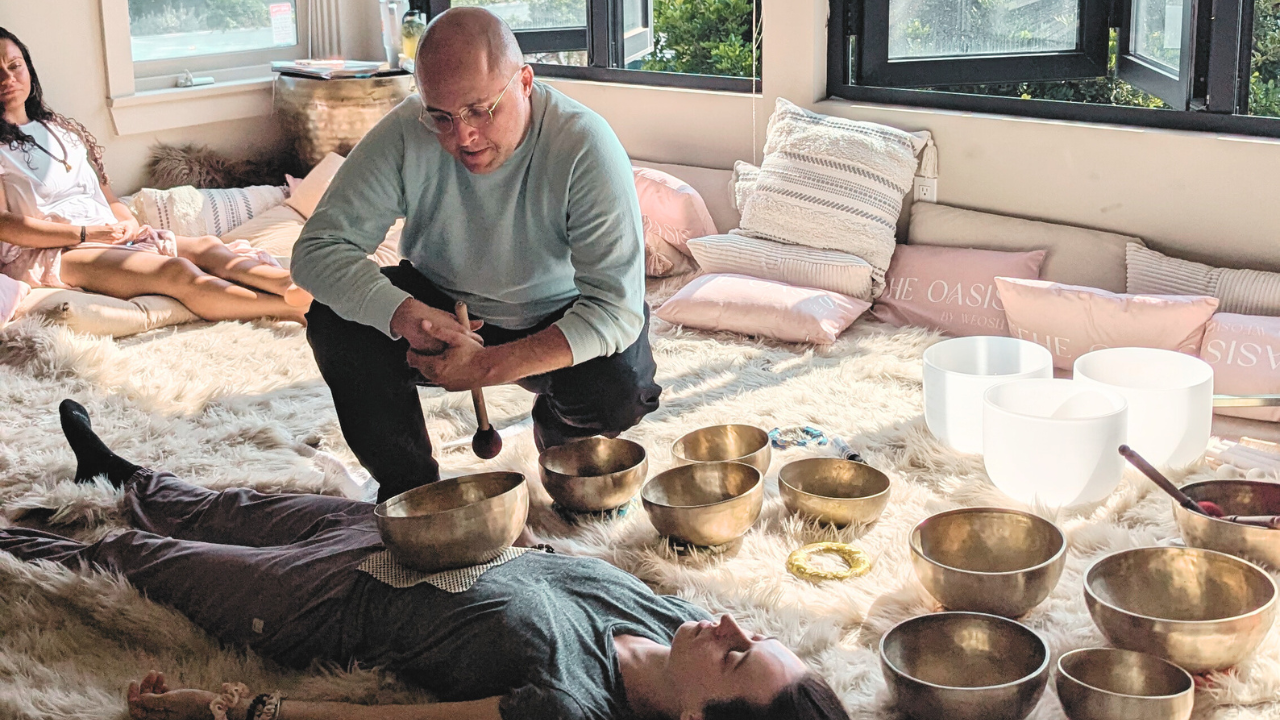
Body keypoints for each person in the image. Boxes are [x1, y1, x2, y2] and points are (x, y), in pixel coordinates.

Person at [0, 400, 853, 720]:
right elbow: (558, 564)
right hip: (411, 534)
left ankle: (20, 535)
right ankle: (121, 473)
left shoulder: (569, 707)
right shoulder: (676, 626)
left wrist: (233, 710)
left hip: (328, 604)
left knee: (141, 558)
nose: (732, 623)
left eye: (739, 653)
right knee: (238, 508)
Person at [293, 8, 659, 502]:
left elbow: (615, 309)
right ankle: (411, 488)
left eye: (480, 110)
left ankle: (558, 427)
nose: (461, 136)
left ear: (525, 82)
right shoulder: (406, 131)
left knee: (621, 388)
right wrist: (402, 314)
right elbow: (316, 250)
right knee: (335, 325)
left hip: (560, 309)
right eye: (440, 116)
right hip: (441, 298)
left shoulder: (584, 144)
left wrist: (487, 366)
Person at [0, 28, 311, 324]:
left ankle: (295, 287)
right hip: (48, 253)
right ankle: (295, 310)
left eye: (15, 65)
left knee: (206, 246)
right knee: (177, 271)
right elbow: (5, 226)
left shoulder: (59, 130)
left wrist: (128, 224)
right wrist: (86, 235)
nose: (8, 78)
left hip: (102, 235)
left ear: (29, 69)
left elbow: (108, 199)